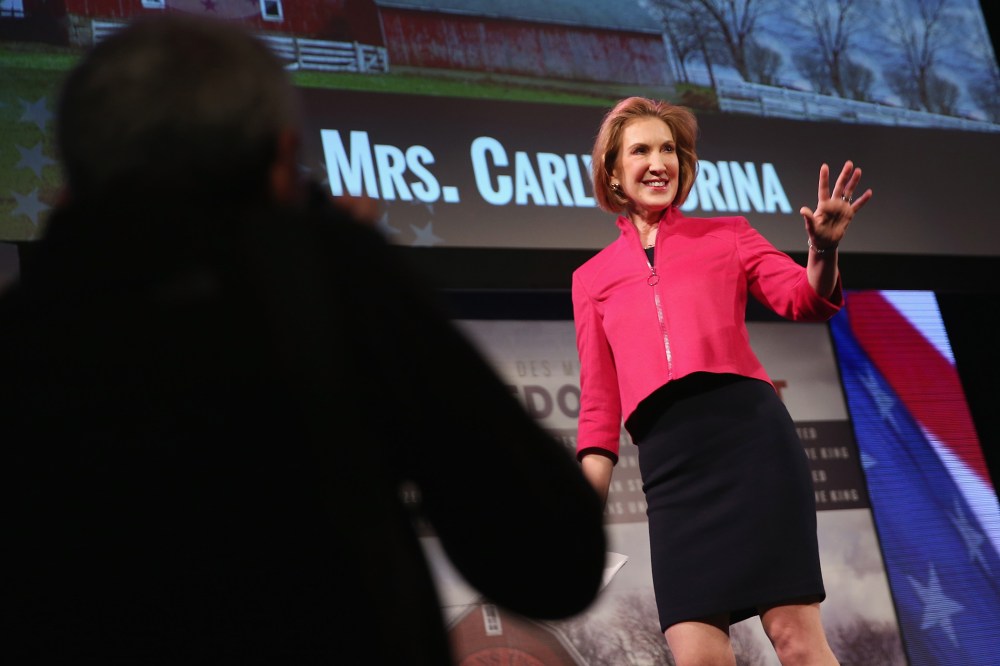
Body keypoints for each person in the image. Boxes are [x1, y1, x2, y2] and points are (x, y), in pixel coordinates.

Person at [1, 14, 606, 664]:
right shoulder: (327, 276)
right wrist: (357, 265)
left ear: (73, 179)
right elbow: (552, 558)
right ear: (284, 160)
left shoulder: (24, 331)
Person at [572, 96, 872, 665]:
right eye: (641, 150)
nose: (659, 162)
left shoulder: (728, 234)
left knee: (796, 640)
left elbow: (804, 298)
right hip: (673, 472)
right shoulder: (591, 280)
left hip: (751, 444)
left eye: (669, 150)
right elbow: (598, 411)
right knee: (698, 657)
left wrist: (823, 250)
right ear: (612, 171)